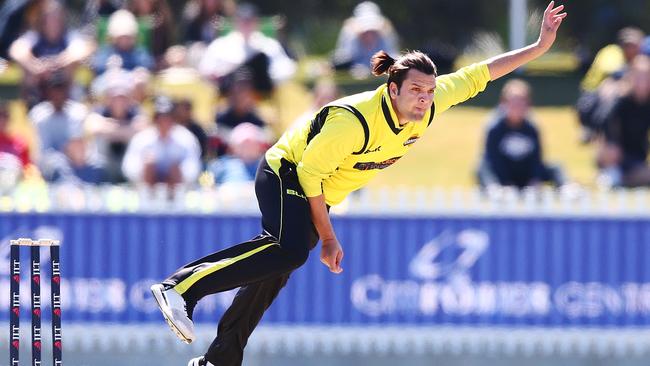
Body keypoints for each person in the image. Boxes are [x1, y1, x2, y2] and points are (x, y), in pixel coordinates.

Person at [150, 3, 566, 366]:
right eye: (416, 91)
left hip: (317, 189)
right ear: (392, 89)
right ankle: (180, 287)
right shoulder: (353, 122)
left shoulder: (431, 103)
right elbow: (309, 178)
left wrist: (540, 47)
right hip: (285, 172)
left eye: (429, 91)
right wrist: (328, 239)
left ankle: (218, 361)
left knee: (277, 268)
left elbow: (485, 72)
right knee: (289, 250)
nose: (424, 98)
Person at [478, 79, 564, 189]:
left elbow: (536, 158)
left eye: (521, 103)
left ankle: (566, 187)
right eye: (513, 103)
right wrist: (504, 181)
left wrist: (535, 178)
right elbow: (493, 158)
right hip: (503, 172)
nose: (517, 107)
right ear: (503, 103)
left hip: (525, 172)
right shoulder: (495, 128)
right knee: (482, 168)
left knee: (555, 166)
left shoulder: (531, 127)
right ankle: (493, 188)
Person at [198, 2, 296, 94]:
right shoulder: (220, 45)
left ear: (256, 22)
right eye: (243, 20)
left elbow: (286, 69)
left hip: (260, 94)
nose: (246, 24)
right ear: (236, 22)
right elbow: (206, 68)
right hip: (229, 95)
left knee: (259, 60)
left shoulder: (269, 45)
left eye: (249, 21)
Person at [121, 96, 201, 196]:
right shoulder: (142, 138)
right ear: (155, 119)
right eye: (160, 117)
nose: (164, 122)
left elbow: (192, 169)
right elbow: (129, 167)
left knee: (175, 169)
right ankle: (148, 202)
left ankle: (174, 203)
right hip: (146, 190)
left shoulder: (186, 138)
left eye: (168, 118)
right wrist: (144, 167)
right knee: (149, 164)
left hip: (178, 191)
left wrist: (178, 172)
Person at [597, 55, 650, 188]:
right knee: (608, 152)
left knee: (644, 175)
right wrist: (611, 143)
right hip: (616, 154)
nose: (642, 82)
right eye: (638, 77)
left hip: (637, 154)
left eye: (645, 77)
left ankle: (620, 180)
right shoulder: (622, 100)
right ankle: (612, 174)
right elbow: (603, 119)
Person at [331, 1, 399, 77]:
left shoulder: (384, 36)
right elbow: (346, 59)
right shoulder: (351, 37)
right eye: (366, 31)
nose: (369, 34)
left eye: (372, 31)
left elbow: (392, 56)